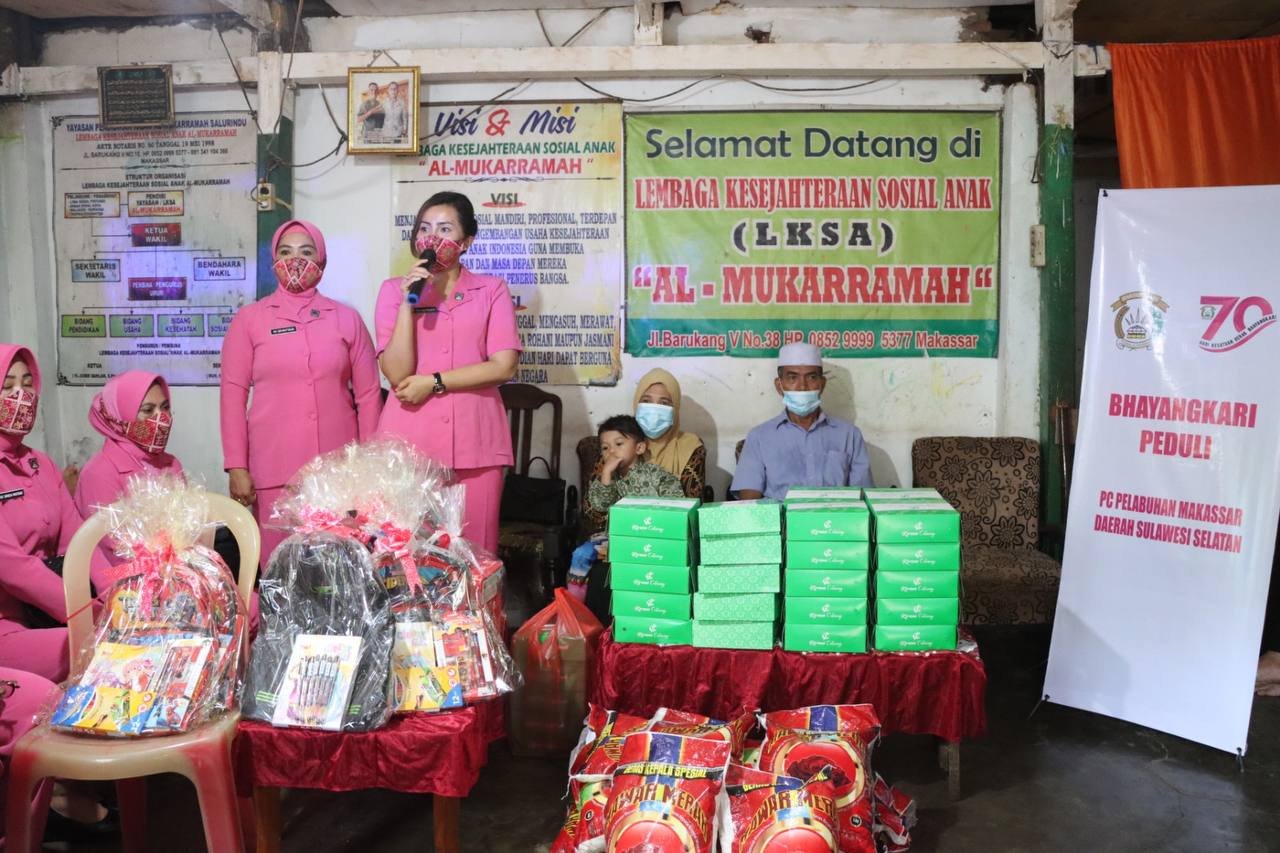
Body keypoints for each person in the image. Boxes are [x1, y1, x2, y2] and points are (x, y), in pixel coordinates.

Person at [220, 220, 382, 566]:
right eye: (286, 252)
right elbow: (232, 395)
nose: (295, 260)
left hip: (338, 472)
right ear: (273, 260)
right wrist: (236, 465)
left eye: (306, 252)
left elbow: (369, 395)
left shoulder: (347, 318)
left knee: (338, 571)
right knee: (280, 568)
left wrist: (369, 466)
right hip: (272, 468)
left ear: (321, 261)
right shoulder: (250, 320)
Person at [375, 191, 521, 553]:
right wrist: (408, 303)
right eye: (425, 228)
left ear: (466, 241)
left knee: (476, 555)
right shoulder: (393, 291)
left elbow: (503, 365)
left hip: (477, 441)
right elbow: (397, 373)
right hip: (410, 442)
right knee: (408, 557)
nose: (432, 238)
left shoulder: (492, 290)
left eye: (444, 229)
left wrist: (435, 382)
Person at [0, 345, 109, 682]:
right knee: (99, 650)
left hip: (46, 613)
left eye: (27, 384)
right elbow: (14, 569)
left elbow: (78, 540)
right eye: (7, 386)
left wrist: (114, 593)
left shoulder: (40, 463)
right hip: (9, 624)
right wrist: (88, 613)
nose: (21, 395)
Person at [731, 342, 873, 500]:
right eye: (792, 378)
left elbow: (863, 498)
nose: (802, 386)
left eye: (811, 377)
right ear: (779, 386)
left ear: (822, 384)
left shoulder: (850, 435)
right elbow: (749, 502)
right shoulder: (759, 437)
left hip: (835, 515)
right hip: (780, 516)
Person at [568, 414, 684, 601]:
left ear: (639, 448)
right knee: (581, 553)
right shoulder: (606, 479)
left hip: (653, 536)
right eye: (605, 448)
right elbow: (600, 504)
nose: (611, 451)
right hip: (615, 537)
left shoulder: (657, 476)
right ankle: (575, 606)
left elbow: (677, 507)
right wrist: (606, 474)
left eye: (619, 444)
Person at [74, 371, 182, 565]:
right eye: (148, 410)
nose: (161, 418)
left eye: (165, 408)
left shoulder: (172, 464)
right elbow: (113, 547)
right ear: (119, 416)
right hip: (123, 578)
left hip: (176, 568)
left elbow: (186, 528)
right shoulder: (99, 473)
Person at [581, 368, 706, 534]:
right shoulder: (613, 444)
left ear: (675, 408)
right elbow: (593, 511)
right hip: (619, 536)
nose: (654, 409)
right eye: (646, 400)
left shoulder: (689, 448)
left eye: (664, 403)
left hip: (662, 534)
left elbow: (684, 512)